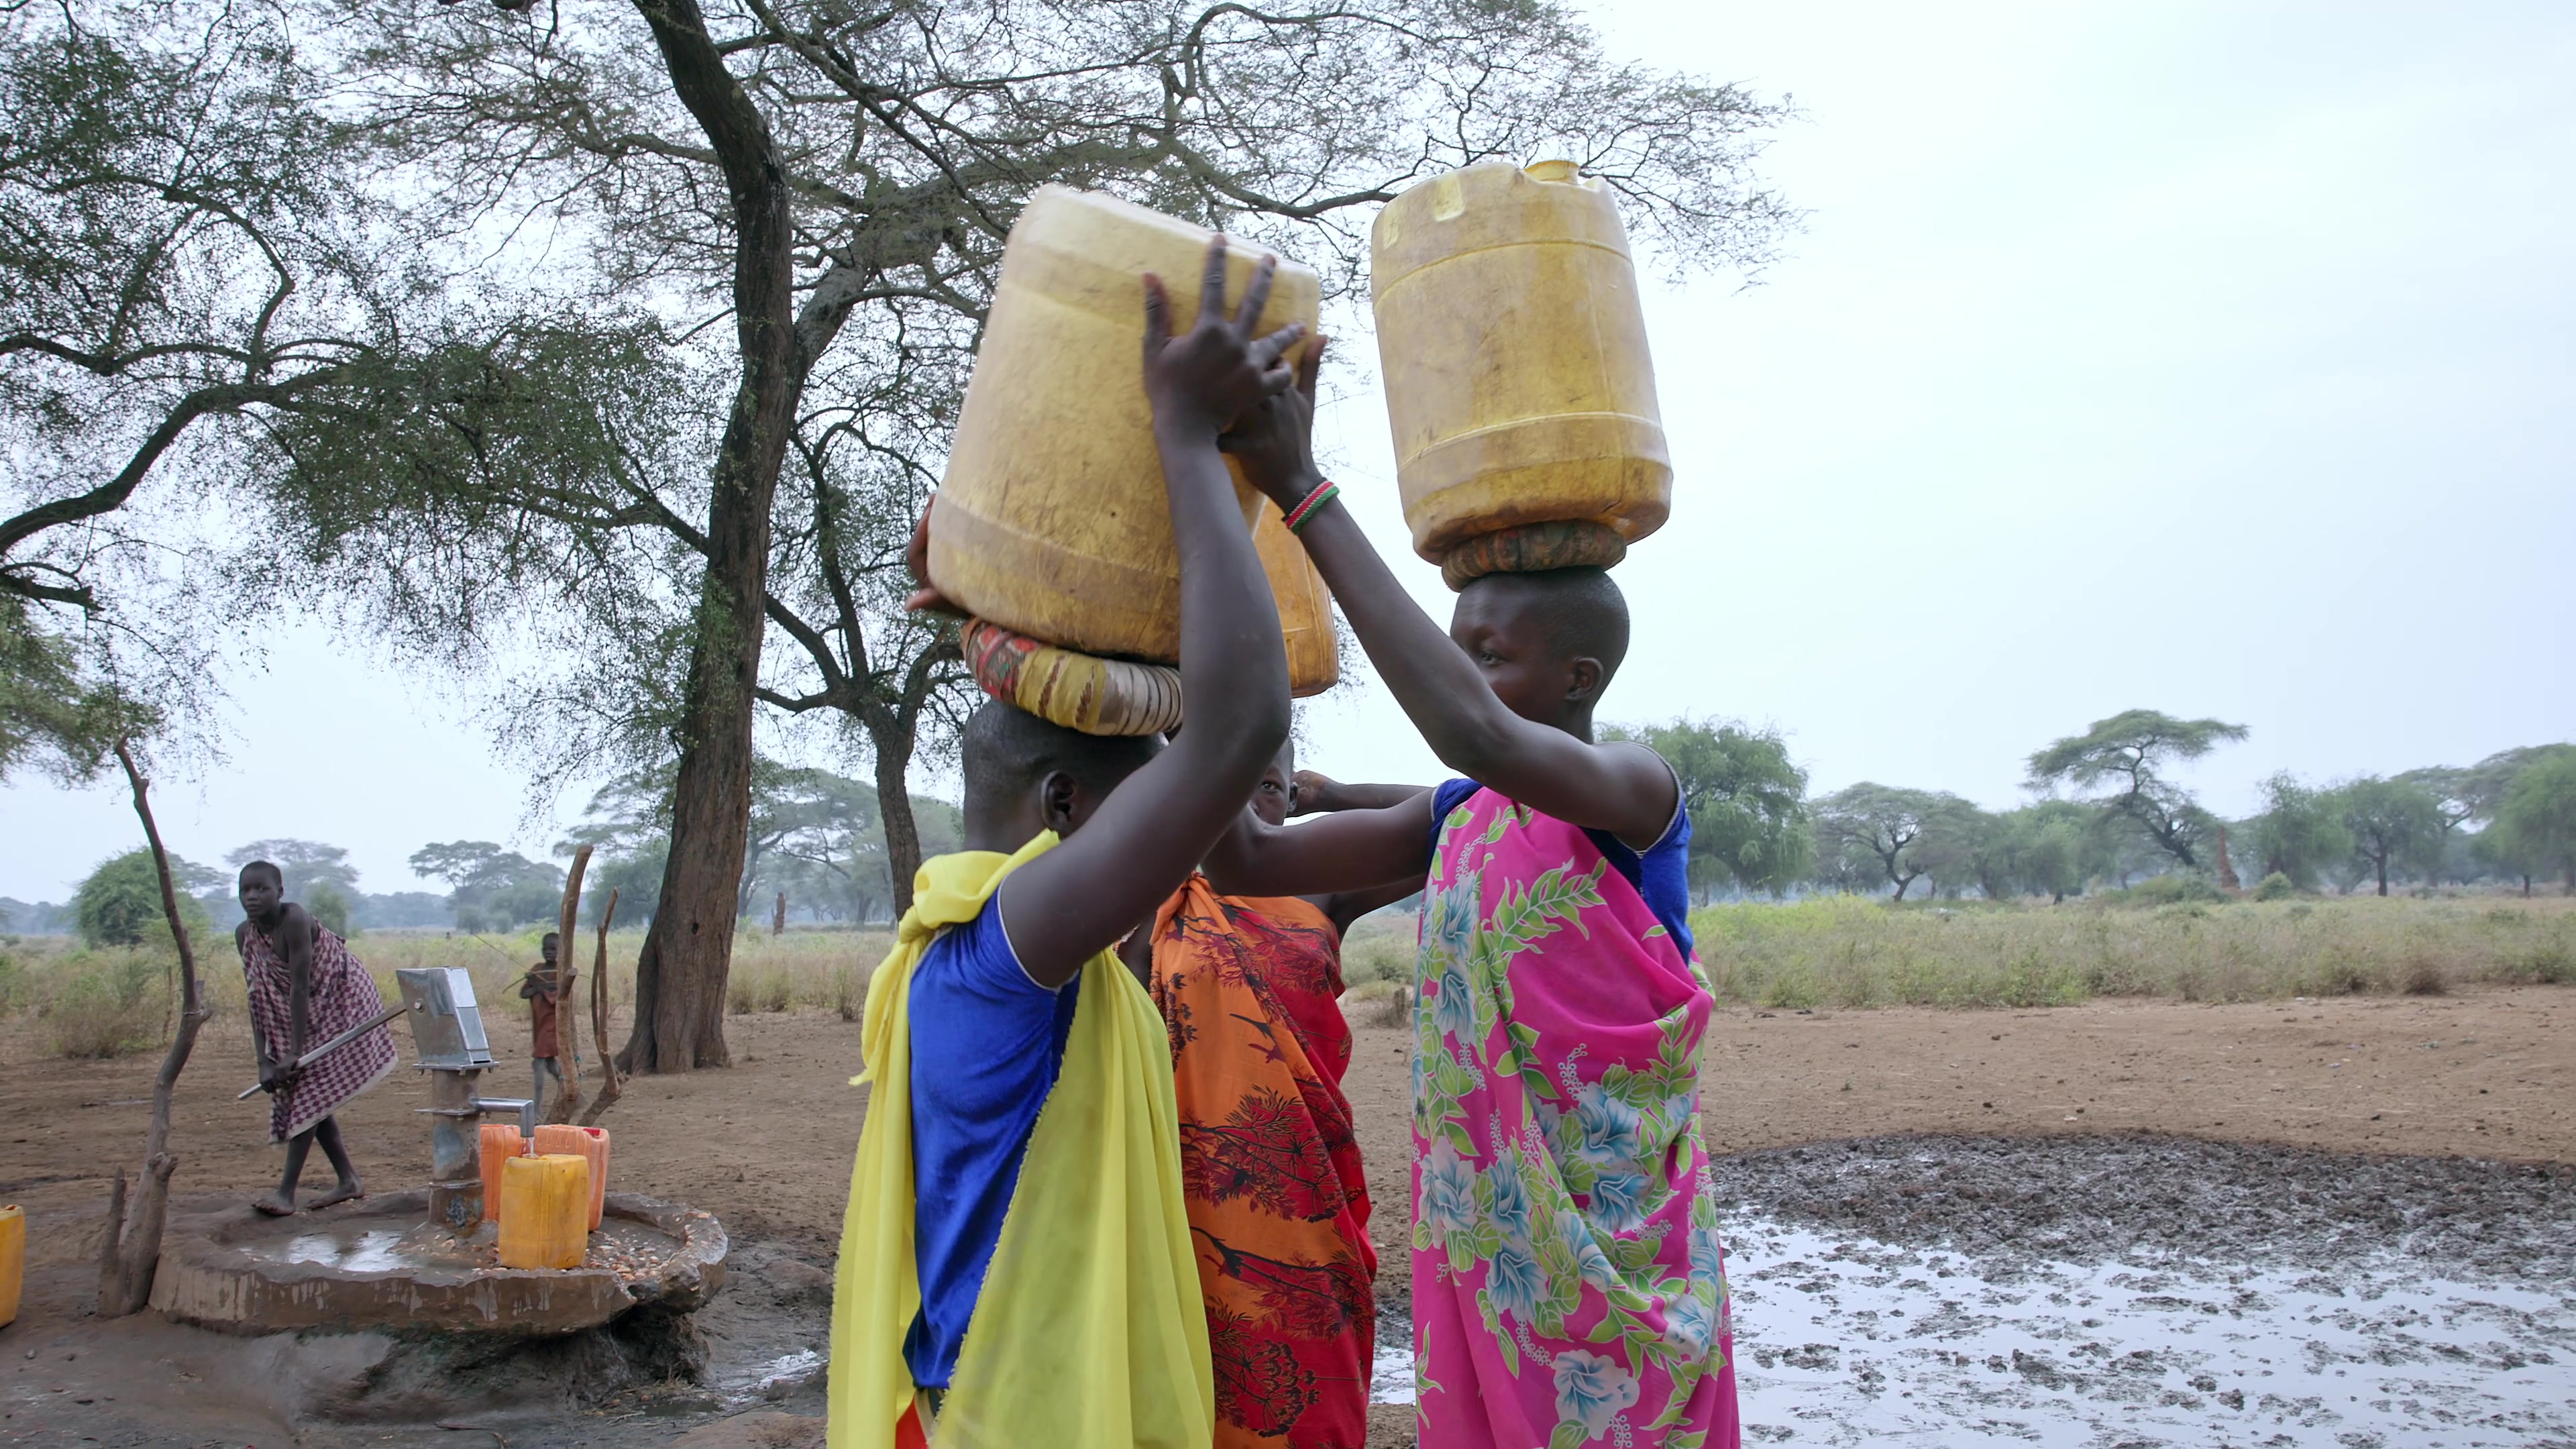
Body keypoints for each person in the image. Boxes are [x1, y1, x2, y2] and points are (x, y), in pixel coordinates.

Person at [1204, 341, 1740, 1447]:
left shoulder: (1635, 793)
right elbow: (1244, 863)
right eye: (1462, 652)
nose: (1460, 675)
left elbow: (1471, 729)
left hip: (1617, 1259)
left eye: (1488, 654)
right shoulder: (1458, 818)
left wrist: (1304, 492)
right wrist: (1207, 589)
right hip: (1494, 1249)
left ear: (1577, 679)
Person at [828, 234, 1301, 1449]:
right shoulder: (1008, 953)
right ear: (1065, 816)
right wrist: (1190, 445)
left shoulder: (1010, 957)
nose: (1179, 843)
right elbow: (1240, 724)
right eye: (1153, 804)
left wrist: (992, 601)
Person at [1145, 738, 1419, 1449]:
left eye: (1265, 787)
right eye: (1220, 782)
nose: (1239, 807)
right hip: (1172, 1198)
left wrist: (1329, 797)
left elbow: (1456, 815)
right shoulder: (1138, 891)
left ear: (1292, 797)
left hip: (1303, 1195)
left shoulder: (1320, 886)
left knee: (1308, 1395)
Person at [235, 860, 398, 1217]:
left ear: (280, 892)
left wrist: (295, 1051)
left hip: (342, 999)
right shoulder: (245, 935)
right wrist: (264, 1059)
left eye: (261, 889)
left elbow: (301, 985)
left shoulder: (294, 920)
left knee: (307, 1085)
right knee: (310, 1091)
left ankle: (286, 1193)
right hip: (303, 1009)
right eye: (245, 890)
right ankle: (349, 1180)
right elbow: (257, 995)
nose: (252, 897)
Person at [517, 933, 568, 1114]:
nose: (549, 953)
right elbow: (523, 994)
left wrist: (536, 986)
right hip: (539, 1025)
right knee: (550, 1065)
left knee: (539, 1062)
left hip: (552, 1024)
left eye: (553, 949)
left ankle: (536, 1108)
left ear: (560, 951)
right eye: (546, 949)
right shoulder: (538, 969)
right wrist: (532, 983)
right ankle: (574, 1093)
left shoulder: (562, 972)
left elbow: (556, 998)